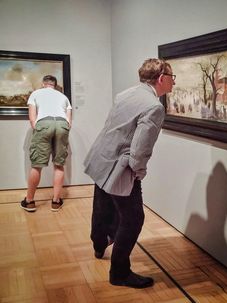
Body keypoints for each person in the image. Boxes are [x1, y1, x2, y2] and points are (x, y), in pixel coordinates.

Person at [84, 58, 175, 288]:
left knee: (102, 205)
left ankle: (99, 243)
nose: (174, 82)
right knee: (134, 218)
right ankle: (120, 273)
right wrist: (139, 172)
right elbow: (140, 149)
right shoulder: (154, 106)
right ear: (162, 79)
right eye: (173, 78)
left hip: (100, 158)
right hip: (118, 168)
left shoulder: (126, 94)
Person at [20, 75, 72, 212]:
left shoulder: (36, 93)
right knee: (59, 165)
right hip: (62, 124)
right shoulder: (63, 97)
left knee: (37, 165)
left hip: (43, 123)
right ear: (54, 85)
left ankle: (29, 201)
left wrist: (40, 128)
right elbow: (69, 122)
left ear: (44, 84)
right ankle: (55, 201)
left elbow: (32, 119)